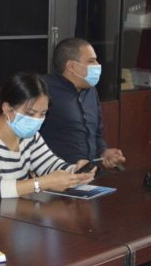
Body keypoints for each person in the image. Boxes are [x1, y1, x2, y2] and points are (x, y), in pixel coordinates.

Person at [0, 72, 96, 199]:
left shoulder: (29, 136)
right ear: (7, 108)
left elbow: (51, 165)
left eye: (43, 113)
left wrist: (76, 172)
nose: (37, 120)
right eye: (30, 113)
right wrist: (42, 183)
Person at [38, 38, 125, 169]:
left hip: (90, 172)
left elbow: (96, 133)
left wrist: (104, 152)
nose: (97, 65)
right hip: (57, 174)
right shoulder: (42, 89)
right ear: (71, 66)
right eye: (91, 61)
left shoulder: (91, 90)